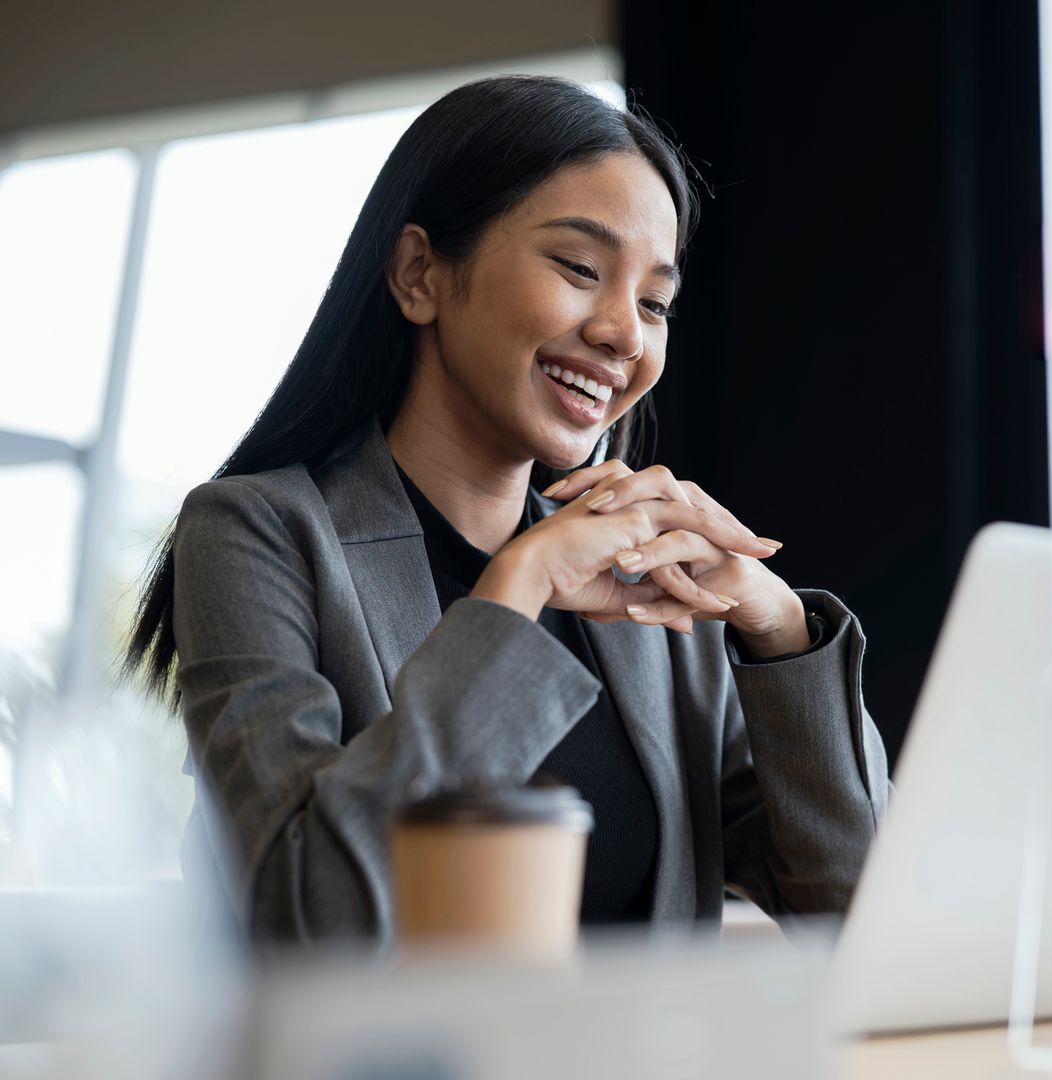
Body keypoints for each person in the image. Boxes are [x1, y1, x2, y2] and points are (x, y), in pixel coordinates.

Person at [124, 73, 890, 947]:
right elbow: (309, 918)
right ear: (421, 275)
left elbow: (860, 911)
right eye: (579, 268)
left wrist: (780, 630)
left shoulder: (646, 585)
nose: (625, 335)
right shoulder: (256, 534)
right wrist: (515, 592)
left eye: (654, 302)